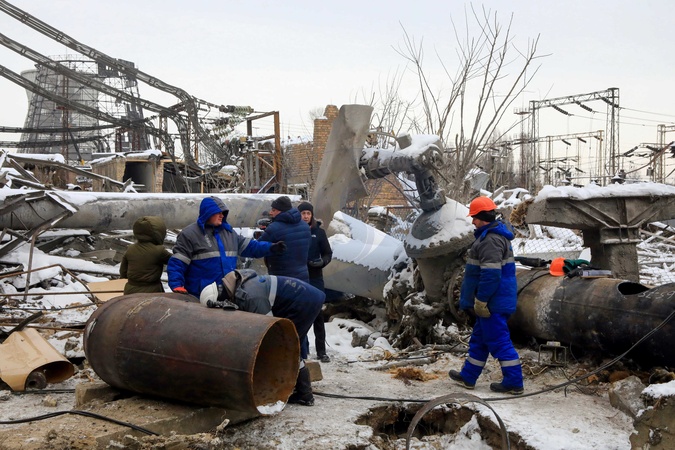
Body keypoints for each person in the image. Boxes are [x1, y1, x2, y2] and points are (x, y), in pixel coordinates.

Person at [201, 269, 325, 406]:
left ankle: (304, 394)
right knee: (287, 345)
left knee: (287, 346)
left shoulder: (251, 296)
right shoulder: (239, 285)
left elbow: (270, 330)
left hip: (306, 302)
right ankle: (300, 389)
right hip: (302, 298)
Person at [448, 196, 524, 395]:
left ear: (483, 217)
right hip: (493, 301)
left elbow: (491, 275)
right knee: (480, 341)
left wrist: (481, 300)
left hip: (493, 303)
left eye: (474, 217)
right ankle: (468, 376)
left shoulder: (491, 240)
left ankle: (514, 382)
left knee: (499, 341)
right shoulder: (489, 237)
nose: (473, 221)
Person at [167, 196, 285, 298]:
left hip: (228, 294)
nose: (222, 215)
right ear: (208, 213)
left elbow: (251, 247)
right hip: (200, 296)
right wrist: (177, 285)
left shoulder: (229, 233)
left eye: (223, 213)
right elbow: (178, 262)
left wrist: (270, 248)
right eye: (218, 212)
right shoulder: (190, 234)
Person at [297, 201, 333, 363]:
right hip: (299, 277)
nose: (305, 216)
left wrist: (322, 262)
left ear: (312, 215)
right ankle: (302, 350)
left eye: (308, 213)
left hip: (315, 277)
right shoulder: (295, 231)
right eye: (303, 213)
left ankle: (321, 351)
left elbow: (328, 253)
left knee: (318, 314)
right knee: (301, 314)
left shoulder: (319, 233)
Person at [258, 195, 311, 282]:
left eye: (273, 210)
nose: (271, 213)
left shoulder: (274, 228)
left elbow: (258, 248)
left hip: (282, 279)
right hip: (303, 277)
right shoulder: (305, 226)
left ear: (281, 211)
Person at [120, 216, 172, 295]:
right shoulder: (159, 251)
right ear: (159, 233)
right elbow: (175, 262)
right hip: (152, 291)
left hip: (130, 290)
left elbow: (123, 272)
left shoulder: (130, 248)